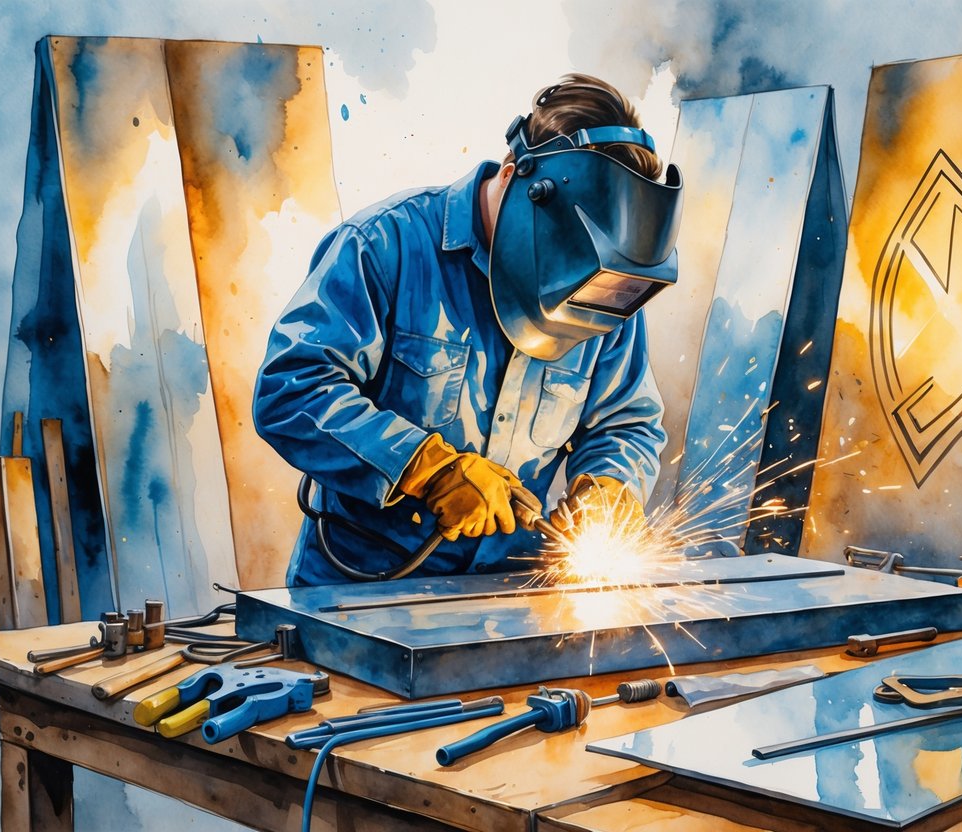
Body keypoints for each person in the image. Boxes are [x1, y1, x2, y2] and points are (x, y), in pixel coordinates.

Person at [254, 74, 684, 585]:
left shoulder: (603, 286)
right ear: (512, 179)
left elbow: (624, 422)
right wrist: (426, 468)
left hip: (509, 593)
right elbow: (292, 390)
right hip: (364, 589)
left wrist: (609, 490)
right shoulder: (384, 245)